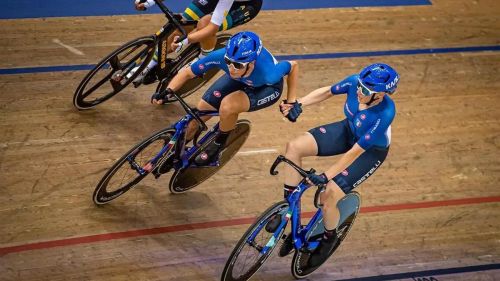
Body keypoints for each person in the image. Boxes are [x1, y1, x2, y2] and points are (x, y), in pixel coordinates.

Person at [278, 63, 399, 267]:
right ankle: (289, 210)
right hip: (349, 130)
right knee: (294, 147)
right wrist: (298, 103)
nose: (359, 91)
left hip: (369, 152)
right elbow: (327, 91)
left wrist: (325, 176)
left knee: (329, 195)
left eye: (366, 90)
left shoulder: (384, 113)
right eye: (360, 85)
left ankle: (329, 238)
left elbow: (355, 153)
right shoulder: (354, 83)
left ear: (380, 95)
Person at [151, 31, 300, 166]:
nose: (231, 68)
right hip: (240, 79)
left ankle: (218, 144)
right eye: (228, 62)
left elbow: (293, 66)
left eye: (237, 65)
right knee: (198, 115)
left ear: (252, 62)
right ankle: (176, 152)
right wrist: (167, 91)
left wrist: (291, 101)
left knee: (228, 106)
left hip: (266, 88)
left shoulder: (269, 74)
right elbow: (187, 73)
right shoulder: (221, 57)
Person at [130, 0, 263, 84]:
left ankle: (203, 59)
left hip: (246, 5)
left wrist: (186, 40)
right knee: (181, 25)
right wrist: (151, 1)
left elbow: (212, 27)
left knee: (205, 24)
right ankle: (148, 66)